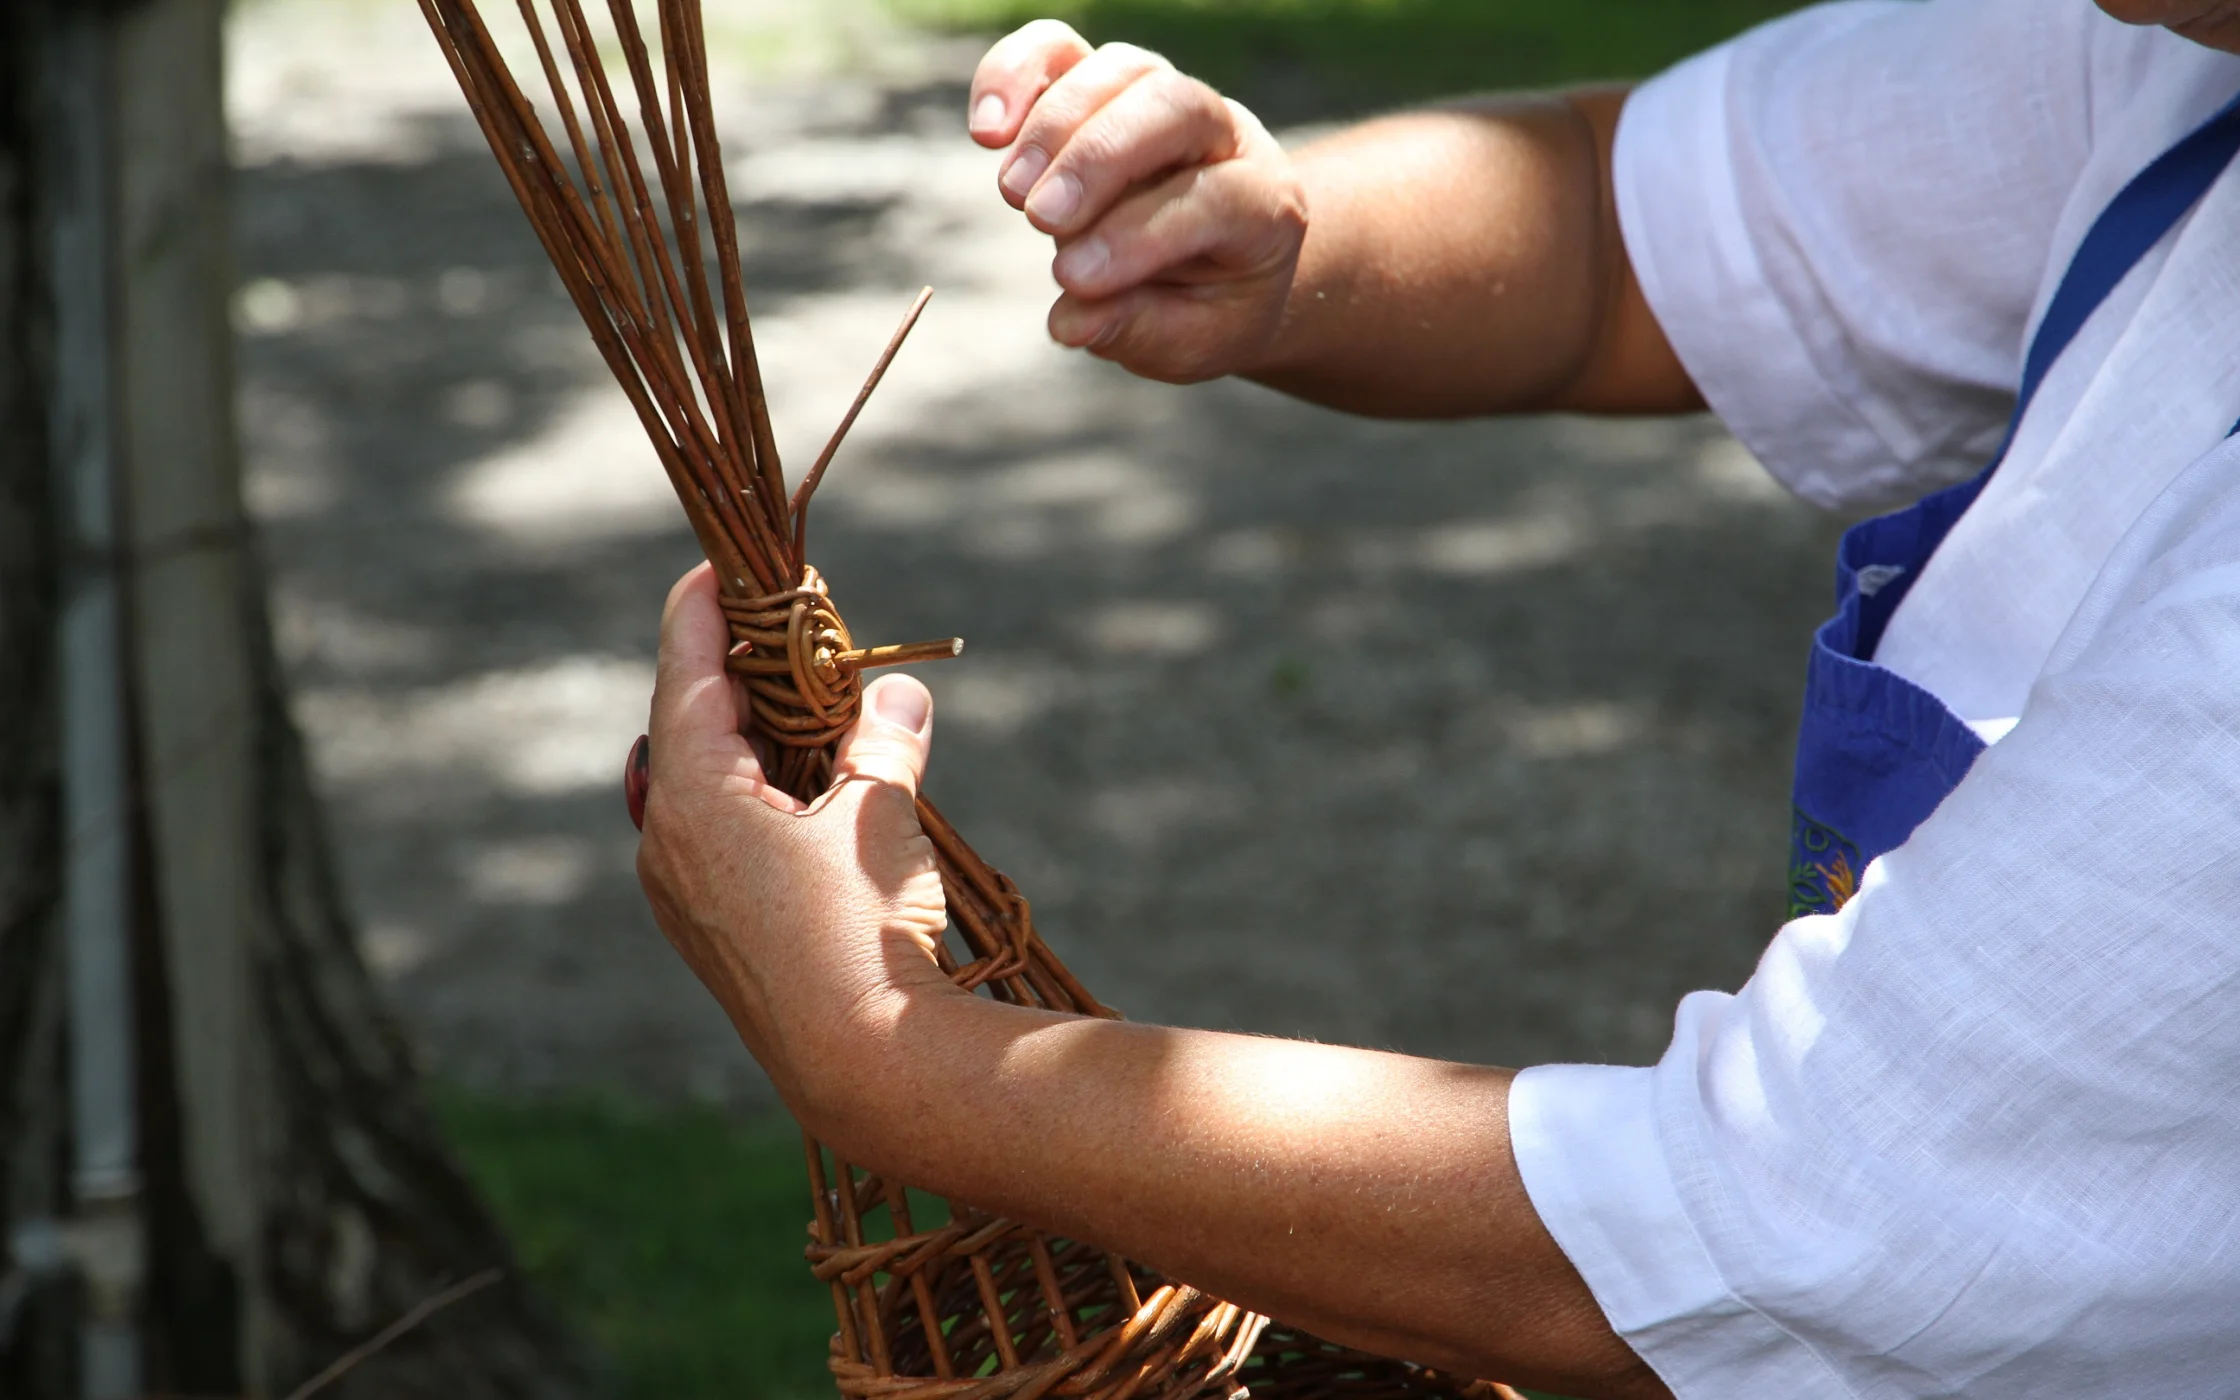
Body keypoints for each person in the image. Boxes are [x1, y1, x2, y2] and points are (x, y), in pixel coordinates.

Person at [632, 1, 2240, 1395]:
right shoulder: (2173, 66)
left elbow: (1722, 1245)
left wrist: (887, 1058)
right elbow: (1632, 232)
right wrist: (1280, 244)